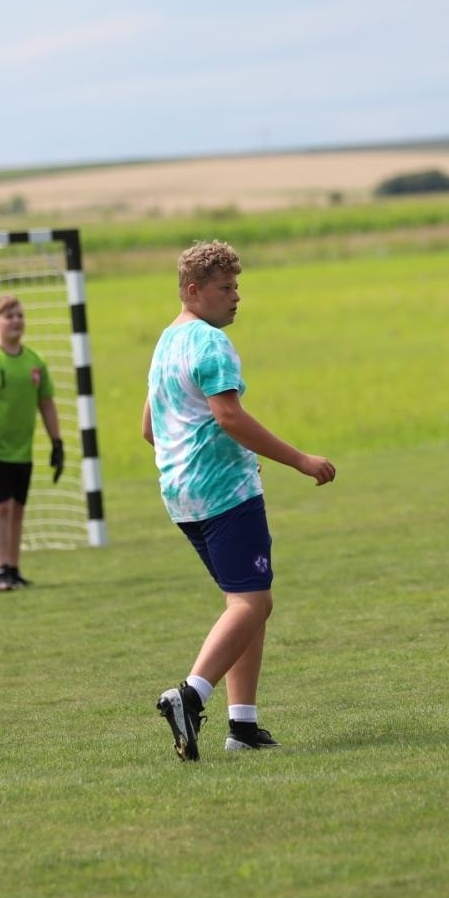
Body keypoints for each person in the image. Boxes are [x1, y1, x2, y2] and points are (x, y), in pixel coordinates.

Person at [142, 241, 336, 761]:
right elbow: (229, 416)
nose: (235, 298)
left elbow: (148, 427)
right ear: (193, 291)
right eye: (224, 288)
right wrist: (299, 459)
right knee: (255, 603)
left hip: (180, 495)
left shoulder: (167, 342)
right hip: (224, 490)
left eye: (237, 287)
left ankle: (243, 726)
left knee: (244, 603)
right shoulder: (209, 343)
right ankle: (189, 695)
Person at [0, 294, 65, 591]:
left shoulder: (35, 361)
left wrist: (56, 442)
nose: (16, 321)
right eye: (9, 316)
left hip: (22, 451)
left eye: (20, 315)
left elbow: (46, 403)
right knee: (0, 507)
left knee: (17, 508)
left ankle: (13, 567)